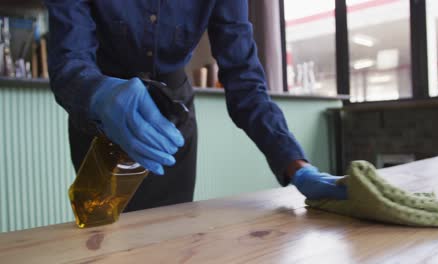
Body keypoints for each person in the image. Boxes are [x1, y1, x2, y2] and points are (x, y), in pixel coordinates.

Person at [45, 0, 347, 212]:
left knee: (171, 234)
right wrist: (98, 96)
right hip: (104, 115)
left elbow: (244, 80)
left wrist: (297, 166)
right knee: (105, 241)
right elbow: (68, 62)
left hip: (174, 116)